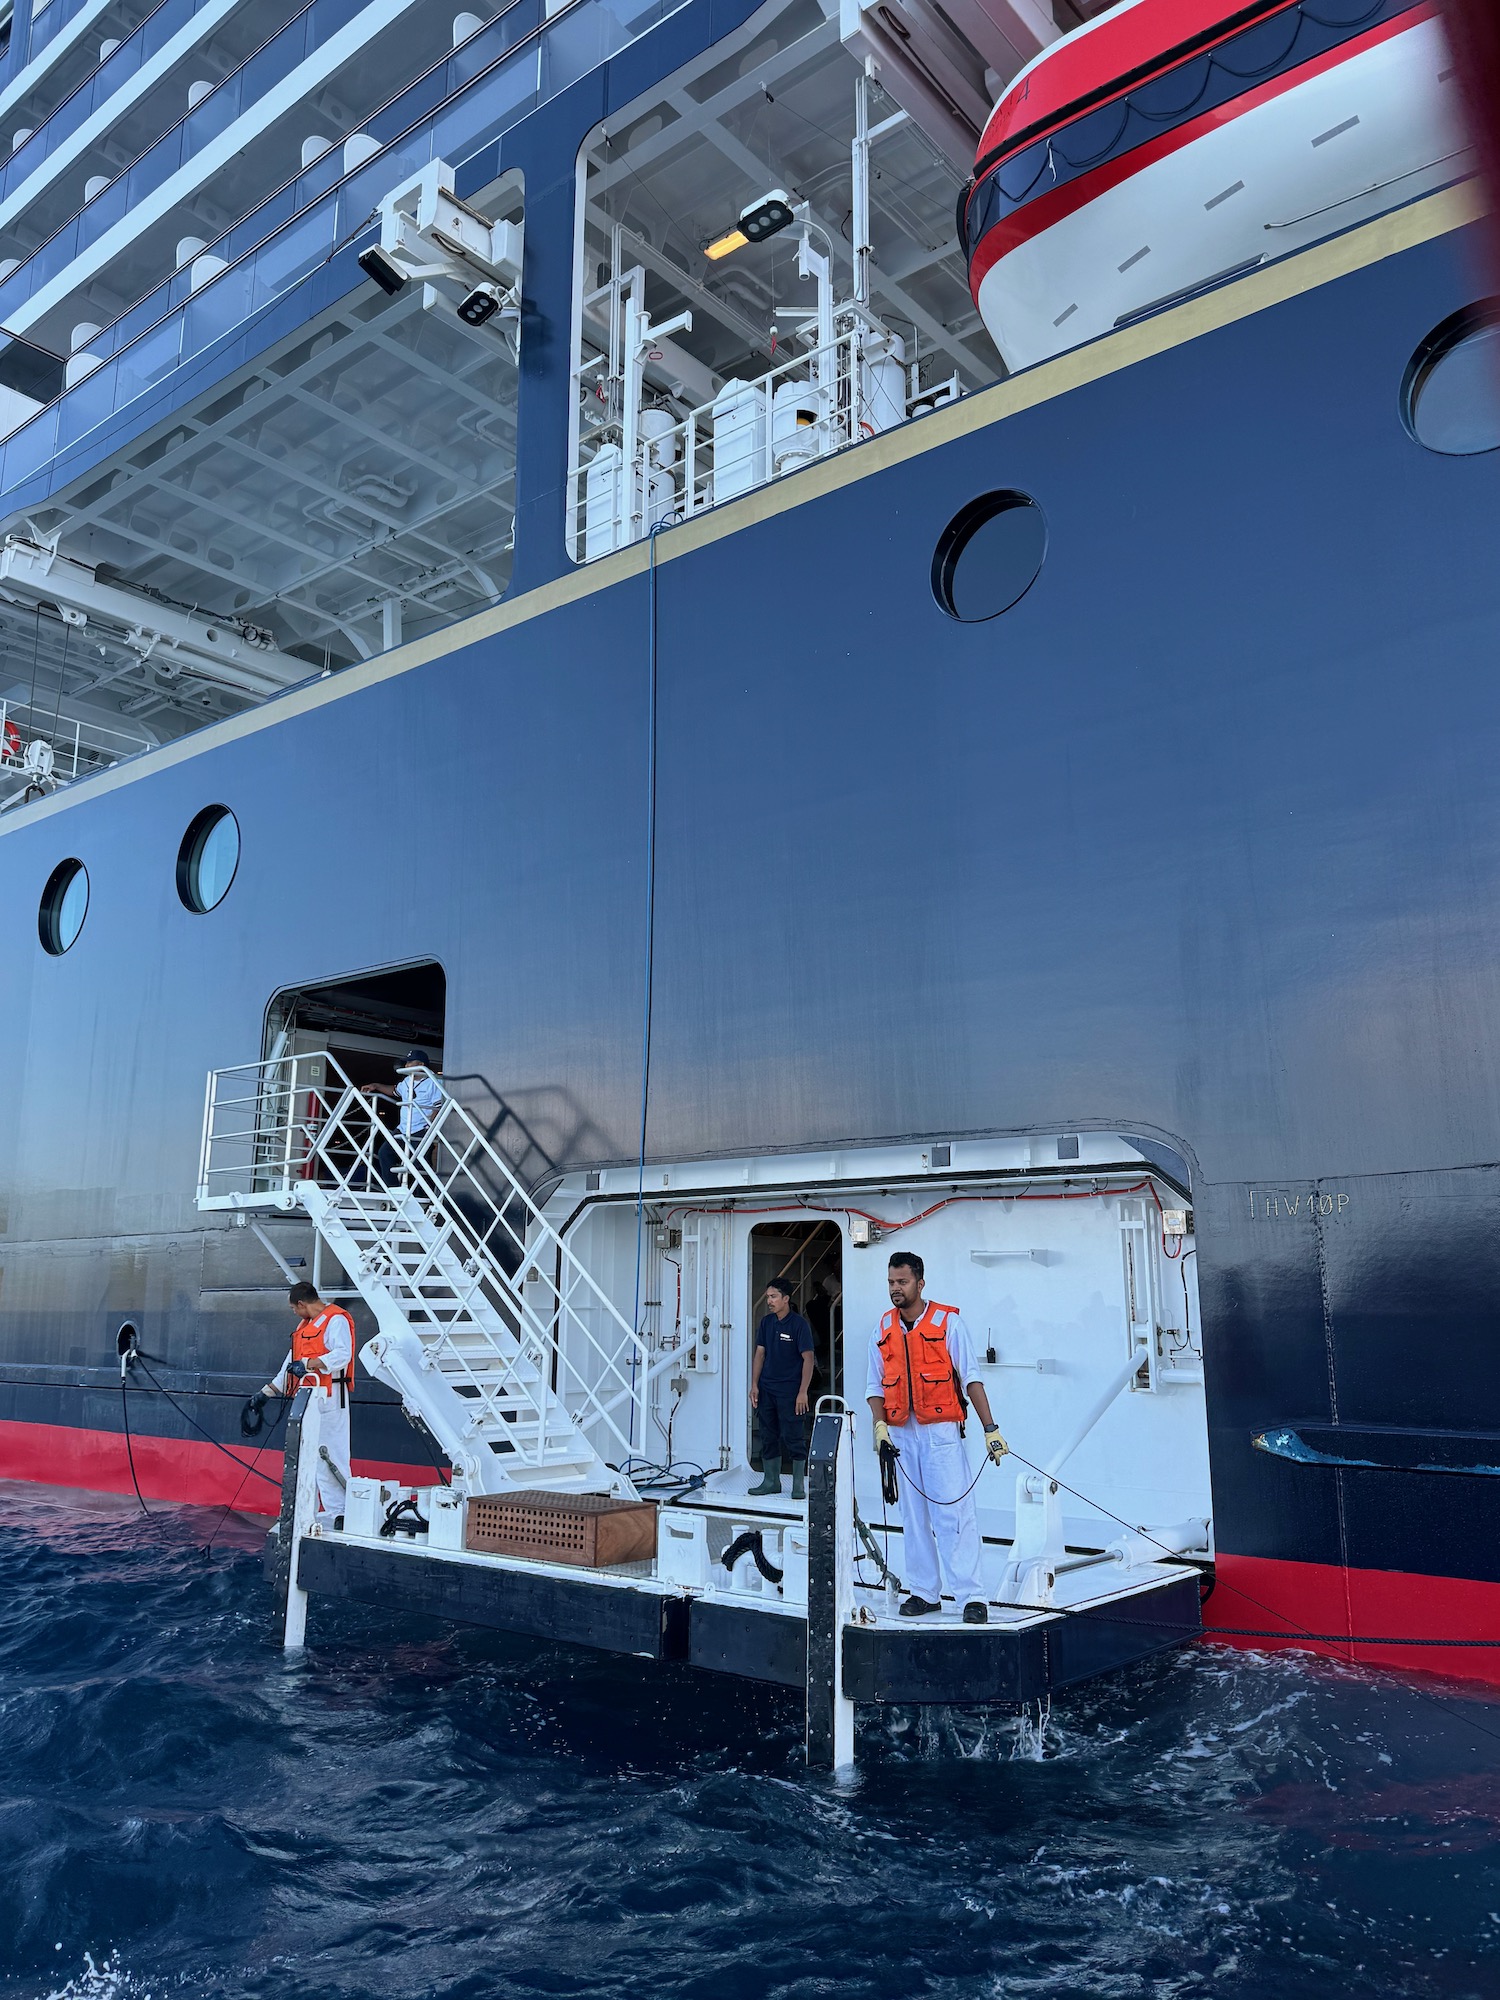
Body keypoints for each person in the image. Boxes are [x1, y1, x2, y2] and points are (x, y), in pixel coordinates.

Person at [865, 1250, 1008, 1623]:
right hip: (901, 1436)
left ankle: (971, 1596)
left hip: (941, 1434)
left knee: (953, 1515)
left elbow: (971, 1377)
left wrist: (990, 1428)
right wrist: (880, 1426)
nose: (896, 1289)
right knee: (913, 1518)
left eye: (903, 1282)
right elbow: (874, 1386)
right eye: (891, 1282)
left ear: (920, 1283)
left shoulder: (948, 1323)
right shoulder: (882, 1328)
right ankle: (925, 1592)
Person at [253, 1281, 355, 1519]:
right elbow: (288, 1368)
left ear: (301, 1303)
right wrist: (264, 1394)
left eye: (293, 1308)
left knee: (332, 1454)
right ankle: (325, 1510)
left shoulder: (335, 1320)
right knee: (312, 1456)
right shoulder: (305, 1328)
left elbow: (343, 1354)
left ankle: (340, 1511)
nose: (294, 1313)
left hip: (331, 1399)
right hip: (309, 1399)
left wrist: (309, 1364)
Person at [749, 1279, 816, 1498]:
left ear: (786, 1299)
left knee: (793, 1435)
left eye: (774, 1296)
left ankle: (798, 1485)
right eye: (768, 1296)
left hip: (790, 1390)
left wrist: (803, 1391)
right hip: (767, 1388)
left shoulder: (799, 1325)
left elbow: (808, 1359)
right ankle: (770, 1481)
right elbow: (760, 1354)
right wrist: (754, 1385)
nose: (769, 1301)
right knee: (768, 1434)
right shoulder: (767, 1323)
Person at [369, 1049, 443, 1182]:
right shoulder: (408, 1080)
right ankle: (394, 1191)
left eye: (409, 1062)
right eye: (406, 1063)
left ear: (421, 1064)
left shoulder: (433, 1081)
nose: (406, 1066)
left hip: (421, 1129)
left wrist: (430, 1130)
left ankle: (424, 1198)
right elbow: (394, 1091)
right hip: (403, 1128)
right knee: (384, 1153)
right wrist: (377, 1086)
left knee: (419, 1164)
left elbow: (437, 1108)